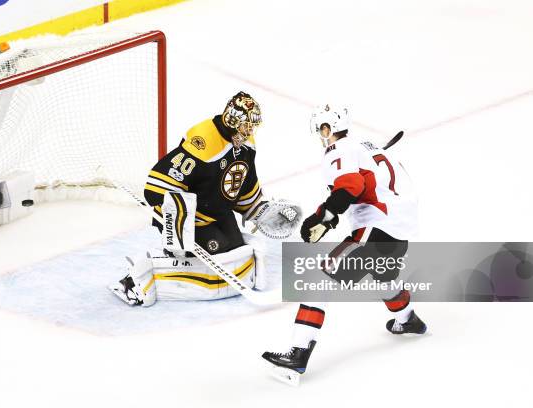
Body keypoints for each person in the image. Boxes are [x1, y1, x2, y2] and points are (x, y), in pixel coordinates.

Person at [261, 104, 427, 385]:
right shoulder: (370, 148)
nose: (320, 136)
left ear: (327, 129)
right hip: (399, 232)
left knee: (319, 281)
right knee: (382, 274)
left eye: (321, 131)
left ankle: (297, 356)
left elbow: (350, 187)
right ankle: (407, 318)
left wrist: (323, 216)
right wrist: (328, 215)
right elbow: (363, 187)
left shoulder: (339, 150)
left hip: (376, 229)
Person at [111, 91, 301, 307]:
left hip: (218, 211)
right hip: (191, 218)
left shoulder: (247, 144)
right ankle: (135, 279)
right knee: (216, 249)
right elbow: (158, 184)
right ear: (232, 120)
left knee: (235, 247)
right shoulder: (204, 141)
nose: (250, 131)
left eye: (251, 126)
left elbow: (245, 182)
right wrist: (176, 218)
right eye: (246, 125)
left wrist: (258, 210)